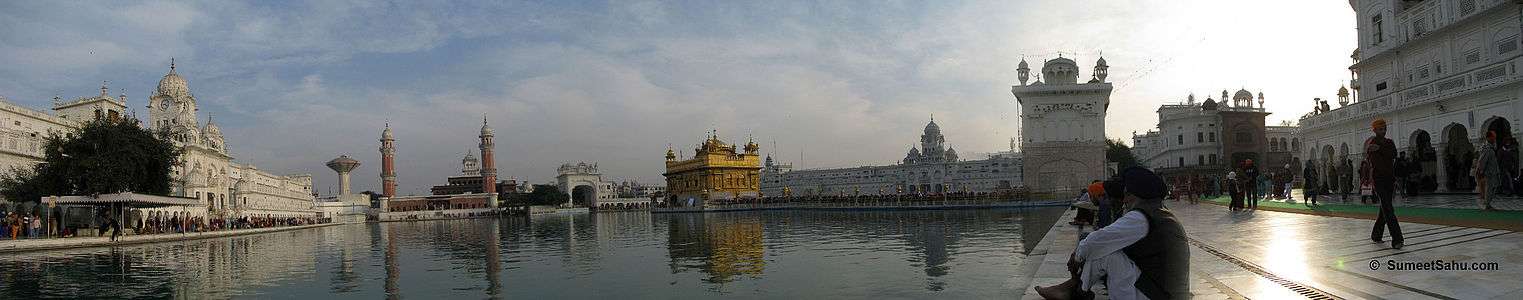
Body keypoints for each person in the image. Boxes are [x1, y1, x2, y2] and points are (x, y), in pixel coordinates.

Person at [1035, 167, 1190, 300]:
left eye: (1127, 194)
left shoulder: (1141, 217)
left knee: (1105, 252)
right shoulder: (1158, 212)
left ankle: (1075, 290)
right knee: (1103, 246)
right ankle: (1075, 289)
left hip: (1158, 295)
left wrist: (1077, 256)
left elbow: (1096, 241)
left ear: (1137, 194)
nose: (1125, 200)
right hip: (1164, 293)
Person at [1367, 118, 1403, 249]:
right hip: (1379, 179)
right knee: (1388, 208)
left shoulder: (1388, 142)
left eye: (1384, 128)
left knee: (1385, 208)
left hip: (1389, 179)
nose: (1383, 131)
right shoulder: (1371, 144)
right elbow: (1376, 162)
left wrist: (1380, 149)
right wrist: (1381, 151)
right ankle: (1397, 239)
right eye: (1380, 129)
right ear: (1375, 130)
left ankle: (1376, 235)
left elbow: (1393, 154)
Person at [1476, 131, 1500, 210]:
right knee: (1489, 188)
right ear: (1489, 137)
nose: (1495, 138)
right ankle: (1487, 205)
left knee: (1493, 187)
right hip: (1489, 173)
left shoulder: (1491, 147)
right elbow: (1482, 161)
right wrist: (1480, 171)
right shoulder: (1487, 148)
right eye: (1493, 137)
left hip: (1493, 172)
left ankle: (1487, 203)